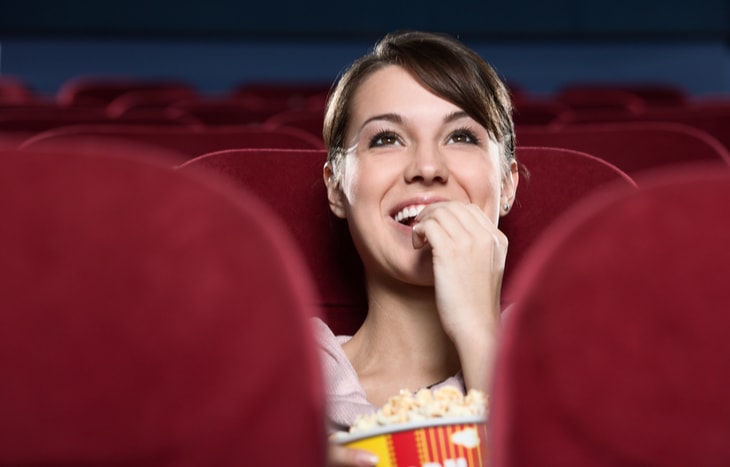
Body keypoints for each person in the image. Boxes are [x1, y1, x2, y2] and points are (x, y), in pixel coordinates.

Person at [316, 29, 519, 467]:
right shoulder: (280, 375)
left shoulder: (580, 352)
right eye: (386, 138)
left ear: (507, 183)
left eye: (461, 136)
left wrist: (480, 333)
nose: (427, 168)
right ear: (335, 187)